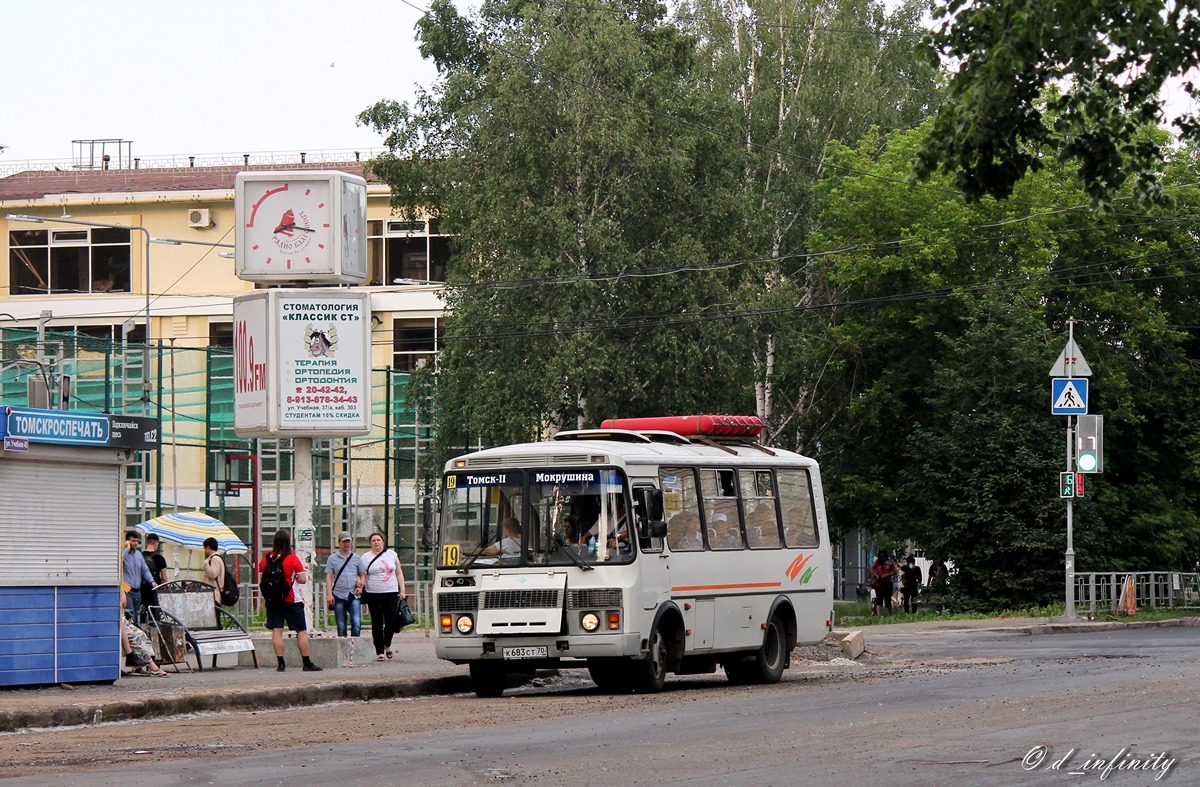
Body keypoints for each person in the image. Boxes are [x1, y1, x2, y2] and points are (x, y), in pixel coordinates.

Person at [258, 529, 322, 673]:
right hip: (291, 600)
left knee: (277, 630)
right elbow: (302, 579)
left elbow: (262, 580)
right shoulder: (293, 559)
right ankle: (306, 663)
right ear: (288, 542)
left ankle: (281, 664)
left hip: (273, 601)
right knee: (301, 631)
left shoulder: (266, 559)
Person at [360, 532, 406, 661]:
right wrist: (360, 585)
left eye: (378, 540)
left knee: (391, 621)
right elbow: (362, 574)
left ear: (383, 542)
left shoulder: (392, 554)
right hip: (373, 593)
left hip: (391, 592)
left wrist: (402, 590)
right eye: (373, 540)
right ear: (370, 543)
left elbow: (398, 572)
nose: (376, 542)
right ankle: (379, 651)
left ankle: (387, 644)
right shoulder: (365, 557)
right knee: (377, 622)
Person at [119, 588, 168, 677]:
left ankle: (139, 666)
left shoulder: (122, 584)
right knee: (134, 637)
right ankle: (153, 667)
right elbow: (123, 602)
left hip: (123, 618)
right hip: (118, 619)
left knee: (142, 635)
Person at [325, 531, 365, 638]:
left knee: (356, 622)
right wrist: (329, 594)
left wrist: (361, 586)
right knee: (341, 625)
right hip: (339, 594)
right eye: (344, 542)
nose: (347, 544)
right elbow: (329, 577)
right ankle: (343, 649)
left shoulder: (356, 558)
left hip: (353, 594)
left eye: (348, 541)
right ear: (339, 542)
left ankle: (355, 647)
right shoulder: (332, 558)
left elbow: (362, 574)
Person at [122, 531, 157, 622]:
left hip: (137, 591)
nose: (136, 543)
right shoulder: (124, 554)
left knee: (136, 615)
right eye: (133, 541)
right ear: (128, 541)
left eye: (137, 541)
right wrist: (126, 548)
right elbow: (120, 560)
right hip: (127, 590)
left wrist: (152, 581)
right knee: (130, 616)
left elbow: (144, 570)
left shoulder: (138, 554)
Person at [140, 533, 169, 612]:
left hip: (141, 588)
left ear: (147, 543)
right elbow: (164, 578)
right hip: (154, 588)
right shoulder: (160, 558)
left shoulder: (140, 556)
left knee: (142, 611)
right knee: (154, 612)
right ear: (156, 543)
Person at [870, 550, 899, 616]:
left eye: (884, 556)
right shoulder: (877, 562)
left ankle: (890, 615)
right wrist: (876, 574)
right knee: (879, 599)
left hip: (888, 582)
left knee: (887, 600)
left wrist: (887, 575)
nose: (882, 558)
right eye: (881, 556)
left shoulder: (890, 562)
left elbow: (894, 571)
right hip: (879, 583)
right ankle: (879, 616)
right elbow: (872, 569)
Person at [202, 537, 225, 606]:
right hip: (213, 594)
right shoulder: (215, 558)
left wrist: (206, 564)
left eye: (204, 548)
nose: (204, 550)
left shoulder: (215, 559)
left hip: (214, 594)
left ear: (208, 547)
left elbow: (212, 574)